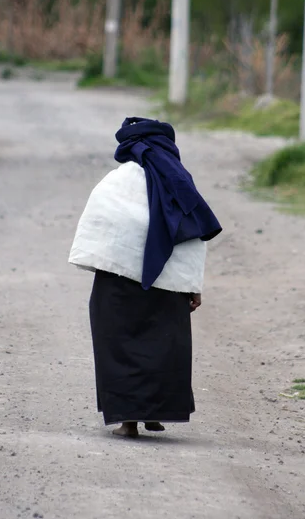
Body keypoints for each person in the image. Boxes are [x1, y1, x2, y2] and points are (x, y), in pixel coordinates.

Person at [69, 117, 222, 438]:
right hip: (167, 286)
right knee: (164, 347)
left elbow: (97, 234)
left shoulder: (114, 182)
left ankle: (128, 422)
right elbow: (194, 237)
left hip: (117, 284)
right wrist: (192, 285)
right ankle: (155, 414)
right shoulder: (179, 181)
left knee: (120, 346)